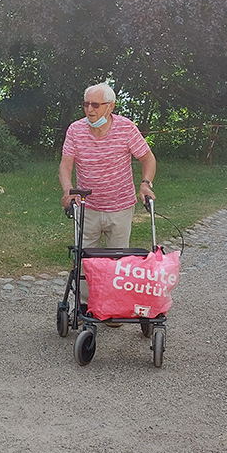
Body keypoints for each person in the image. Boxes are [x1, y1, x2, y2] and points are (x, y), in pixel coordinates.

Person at [58, 82, 157, 314]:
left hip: (120, 206)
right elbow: (65, 165)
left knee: (118, 263)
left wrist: (145, 184)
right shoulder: (75, 130)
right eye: (86, 104)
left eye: (95, 105)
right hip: (87, 206)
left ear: (110, 106)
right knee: (85, 261)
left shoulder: (126, 128)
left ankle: (113, 308)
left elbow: (148, 158)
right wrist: (68, 190)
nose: (89, 109)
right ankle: (85, 307)